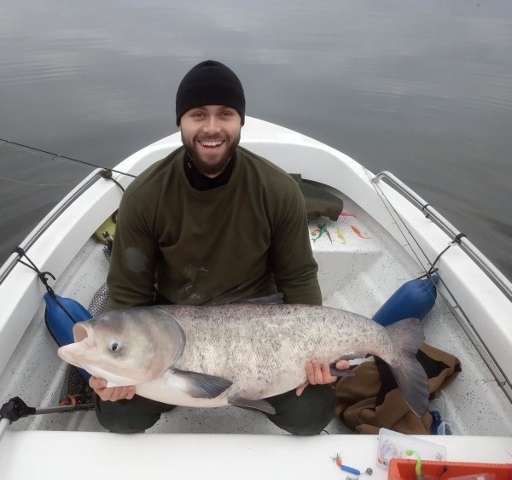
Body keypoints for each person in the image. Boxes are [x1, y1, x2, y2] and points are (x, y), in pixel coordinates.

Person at [90, 60, 347, 435]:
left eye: (225, 114)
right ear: (180, 121)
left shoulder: (277, 190)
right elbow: (128, 294)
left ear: (240, 121)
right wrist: (113, 370)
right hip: (175, 338)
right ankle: (180, 388)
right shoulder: (145, 196)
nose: (211, 128)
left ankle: (239, 391)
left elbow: (299, 279)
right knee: (118, 415)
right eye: (198, 115)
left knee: (311, 414)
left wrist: (315, 354)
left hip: (259, 337)